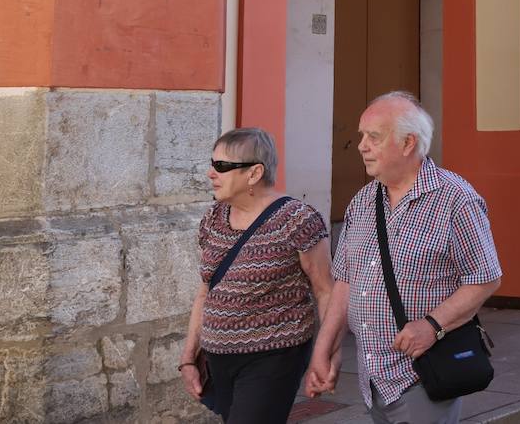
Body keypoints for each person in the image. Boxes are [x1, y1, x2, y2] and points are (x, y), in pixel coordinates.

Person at [307, 92, 502, 424]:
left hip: (422, 374)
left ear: (408, 143)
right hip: (372, 376)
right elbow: (346, 281)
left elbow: (485, 277)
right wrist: (325, 349)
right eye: (362, 135)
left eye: (374, 137)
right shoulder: (364, 201)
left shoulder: (455, 200)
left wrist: (432, 326)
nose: (361, 146)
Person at [180, 128, 333, 423]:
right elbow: (205, 292)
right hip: (219, 360)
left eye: (222, 166)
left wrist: (325, 354)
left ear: (254, 173)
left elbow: (326, 290)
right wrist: (189, 357)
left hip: (273, 357)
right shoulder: (214, 218)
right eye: (212, 164)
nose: (212, 173)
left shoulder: (296, 220)